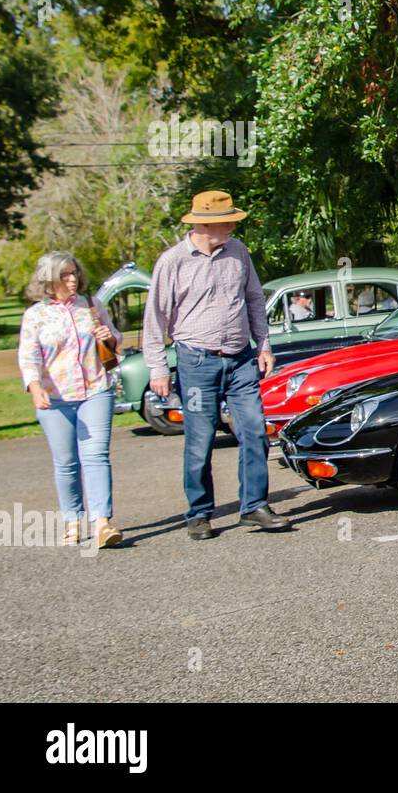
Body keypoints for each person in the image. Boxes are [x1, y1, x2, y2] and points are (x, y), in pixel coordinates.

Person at [143, 190, 289, 541]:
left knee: (254, 431)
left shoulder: (238, 252)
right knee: (200, 440)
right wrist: (158, 368)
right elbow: (155, 318)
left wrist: (263, 345)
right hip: (196, 362)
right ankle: (199, 513)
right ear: (206, 225)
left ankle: (254, 506)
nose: (233, 226)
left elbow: (254, 300)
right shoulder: (173, 261)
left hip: (240, 360)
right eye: (228, 221)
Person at [19, 253, 125, 549]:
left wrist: (110, 337)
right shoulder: (36, 315)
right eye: (65, 275)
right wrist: (34, 386)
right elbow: (28, 356)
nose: (72, 279)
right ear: (49, 279)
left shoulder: (92, 305)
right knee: (66, 462)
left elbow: (115, 341)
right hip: (56, 398)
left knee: (96, 456)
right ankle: (73, 520)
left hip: (96, 390)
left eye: (74, 273)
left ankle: (102, 523)